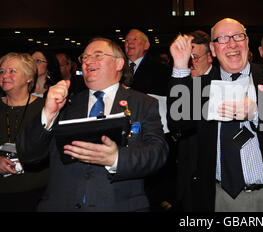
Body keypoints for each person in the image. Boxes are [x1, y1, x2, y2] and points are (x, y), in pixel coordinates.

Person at [168, 18, 263, 212]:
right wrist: (179, 66)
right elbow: (178, 121)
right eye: (223, 39)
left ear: (246, 42)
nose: (232, 43)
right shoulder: (204, 86)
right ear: (213, 48)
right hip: (220, 198)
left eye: (238, 36)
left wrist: (258, 113)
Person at [16, 37, 169, 211]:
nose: (88, 61)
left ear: (119, 63)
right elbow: (28, 155)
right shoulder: (64, 103)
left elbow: (157, 152)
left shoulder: (143, 103)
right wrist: (48, 113)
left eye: (97, 55)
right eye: (85, 57)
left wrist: (116, 159)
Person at [174, 29, 217, 211]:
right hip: (182, 169)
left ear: (210, 57)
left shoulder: (220, 84)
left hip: (210, 173)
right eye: (188, 57)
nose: (191, 62)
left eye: (196, 57)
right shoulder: (178, 81)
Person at [0, 52, 48, 211]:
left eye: (12, 71)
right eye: (2, 71)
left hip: (37, 194)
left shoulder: (45, 109)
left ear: (29, 78)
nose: (5, 75)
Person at [124, 29, 170, 96]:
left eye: (135, 39)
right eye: (127, 40)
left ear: (146, 45)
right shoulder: (115, 67)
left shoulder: (160, 70)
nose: (130, 43)